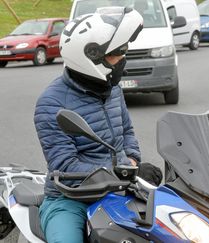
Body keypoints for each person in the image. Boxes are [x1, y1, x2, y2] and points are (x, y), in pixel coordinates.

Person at [34, 7, 162, 243]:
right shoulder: (51, 103)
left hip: (118, 188)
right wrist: (125, 171)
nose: (123, 58)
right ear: (90, 58)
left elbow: (127, 133)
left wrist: (132, 163)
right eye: (116, 54)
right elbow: (66, 166)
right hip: (70, 198)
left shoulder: (111, 89)